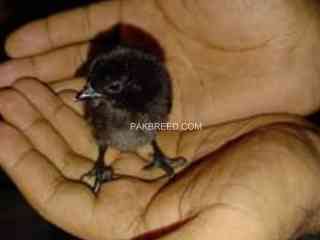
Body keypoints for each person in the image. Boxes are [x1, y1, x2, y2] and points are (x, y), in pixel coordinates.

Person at [1, 0, 320, 239]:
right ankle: (102, 159)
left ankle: (154, 152)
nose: (86, 96)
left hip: (146, 121)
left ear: (137, 88)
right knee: (108, 132)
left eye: (105, 89)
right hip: (122, 126)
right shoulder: (114, 102)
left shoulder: (154, 95)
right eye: (91, 88)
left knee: (142, 128)